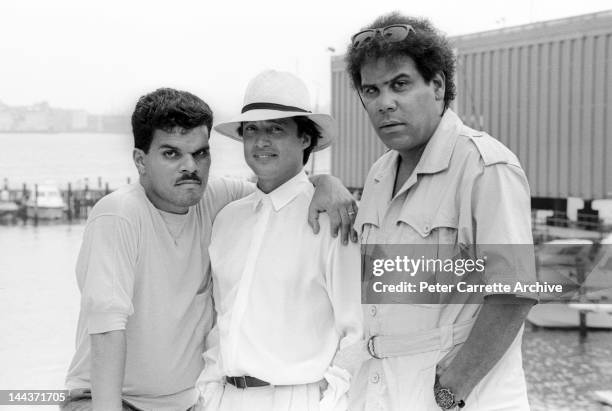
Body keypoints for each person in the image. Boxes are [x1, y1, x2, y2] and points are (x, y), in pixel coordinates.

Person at [62, 88, 357, 411]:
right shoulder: (118, 216)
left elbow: (280, 192)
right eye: (171, 154)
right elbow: (106, 331)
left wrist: (325, 182)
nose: (190, 167)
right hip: (113, 400)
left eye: (200, 153)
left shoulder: (218, 200)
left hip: (190, 402)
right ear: (140, 161)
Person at [345, 13, 538, 410]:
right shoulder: (380, 174)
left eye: (400, 84)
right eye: (371, 90)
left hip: (455, 398)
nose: (385, 103)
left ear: (437, 85)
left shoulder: (485, 167)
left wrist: (451, 392)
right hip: (380, 390)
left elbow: (514, 294)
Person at [196, 70, 363, 411]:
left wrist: (330, 404)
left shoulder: (332, 219)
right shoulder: (227, 220)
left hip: (298, 398)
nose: (261, 142)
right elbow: (221, 319)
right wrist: (208, 393)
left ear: (305, 139)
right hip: (226, 398)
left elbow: (359, 330)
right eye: (252, 130)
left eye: (276, 129)